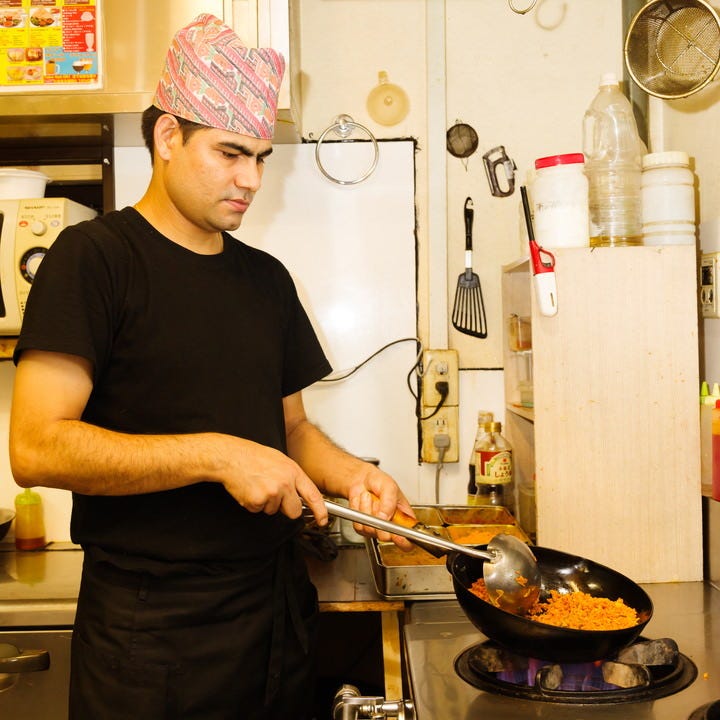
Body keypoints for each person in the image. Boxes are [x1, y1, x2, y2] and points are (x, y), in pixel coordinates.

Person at [9, 14, 413, 720]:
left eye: (260, 157)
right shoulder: (94, 260)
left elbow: (291, 430)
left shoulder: (266, 280)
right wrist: (218, 456)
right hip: (151, 632)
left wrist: (352, 475)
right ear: (168, 136)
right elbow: (36, 447)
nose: (251, 179)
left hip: (274, 614)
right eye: (230, 153)